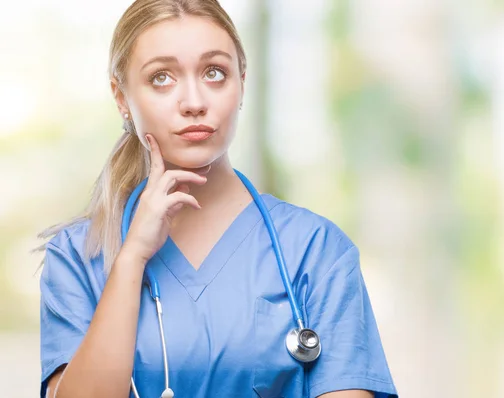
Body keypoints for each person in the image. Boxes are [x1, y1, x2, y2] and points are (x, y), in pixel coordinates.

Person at [37, 0, 398, 397]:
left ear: (242, 82)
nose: (193, 102)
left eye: (214, 73)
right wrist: (132, 258)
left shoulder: (316, 251)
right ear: (121, 96)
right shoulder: (76, 258)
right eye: (161, 77)